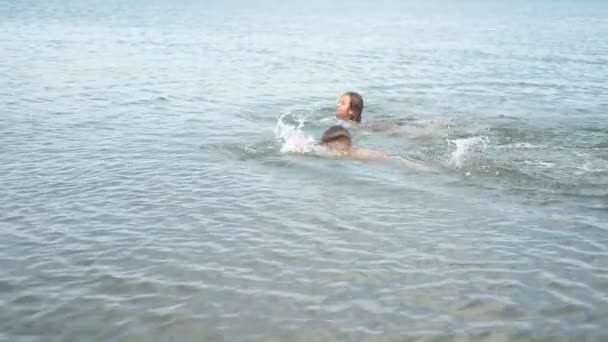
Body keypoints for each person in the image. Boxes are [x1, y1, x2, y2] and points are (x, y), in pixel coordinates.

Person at [319, 125, 437, 172]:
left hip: (394, 160)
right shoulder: (351, 151)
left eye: (328, 146)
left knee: (425, 169)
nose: (328, 149)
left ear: (336, 143)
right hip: (393, 158)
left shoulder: (347, 153)